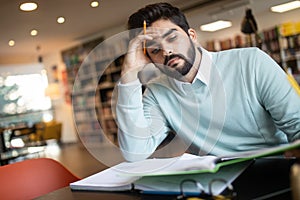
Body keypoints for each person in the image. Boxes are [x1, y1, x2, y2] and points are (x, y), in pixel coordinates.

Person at [116, 2, 300, 162]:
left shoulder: (251, 62)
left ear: (192, 36)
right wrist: (129, 76)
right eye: (155, 49)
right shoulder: (157, 92)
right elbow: (134, 152)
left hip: (270, 172)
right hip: (213, 182)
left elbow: (297, 126)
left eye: (172, 38)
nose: (166, 51)